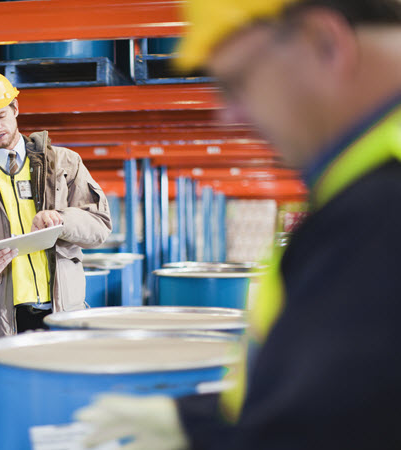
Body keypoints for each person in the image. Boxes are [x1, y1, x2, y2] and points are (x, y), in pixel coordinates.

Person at [76, 0, 401, 449]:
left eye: (237, 82)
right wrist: (194, 423)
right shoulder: (365, 189)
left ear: (322, 42)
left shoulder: (380, 210)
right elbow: (326, 398)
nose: (230, 115)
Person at [0, 70, 112, 448]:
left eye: (0, 115)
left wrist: (63, 220)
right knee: (1, 427)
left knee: (63, 423)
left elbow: (100, 225)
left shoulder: (64, 163)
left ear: (16, 108)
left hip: (59, 314)